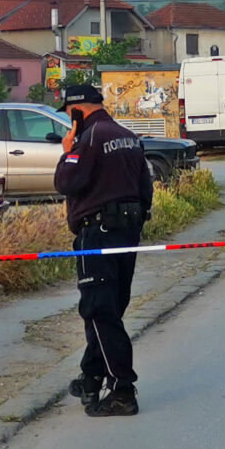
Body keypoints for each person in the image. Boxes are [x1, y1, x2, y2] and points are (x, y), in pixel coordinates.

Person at [54, 82, 153, 417]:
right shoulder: (127, 134)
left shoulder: (89, 138)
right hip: (127, 229)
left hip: (98, 233)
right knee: (110, 306)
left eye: (69, 115)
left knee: (99, 309)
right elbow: (145, 186)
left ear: (78, 110)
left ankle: (122, 389)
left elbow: (67, 184)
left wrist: (67, 151)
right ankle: (92, 375)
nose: (69, 122)